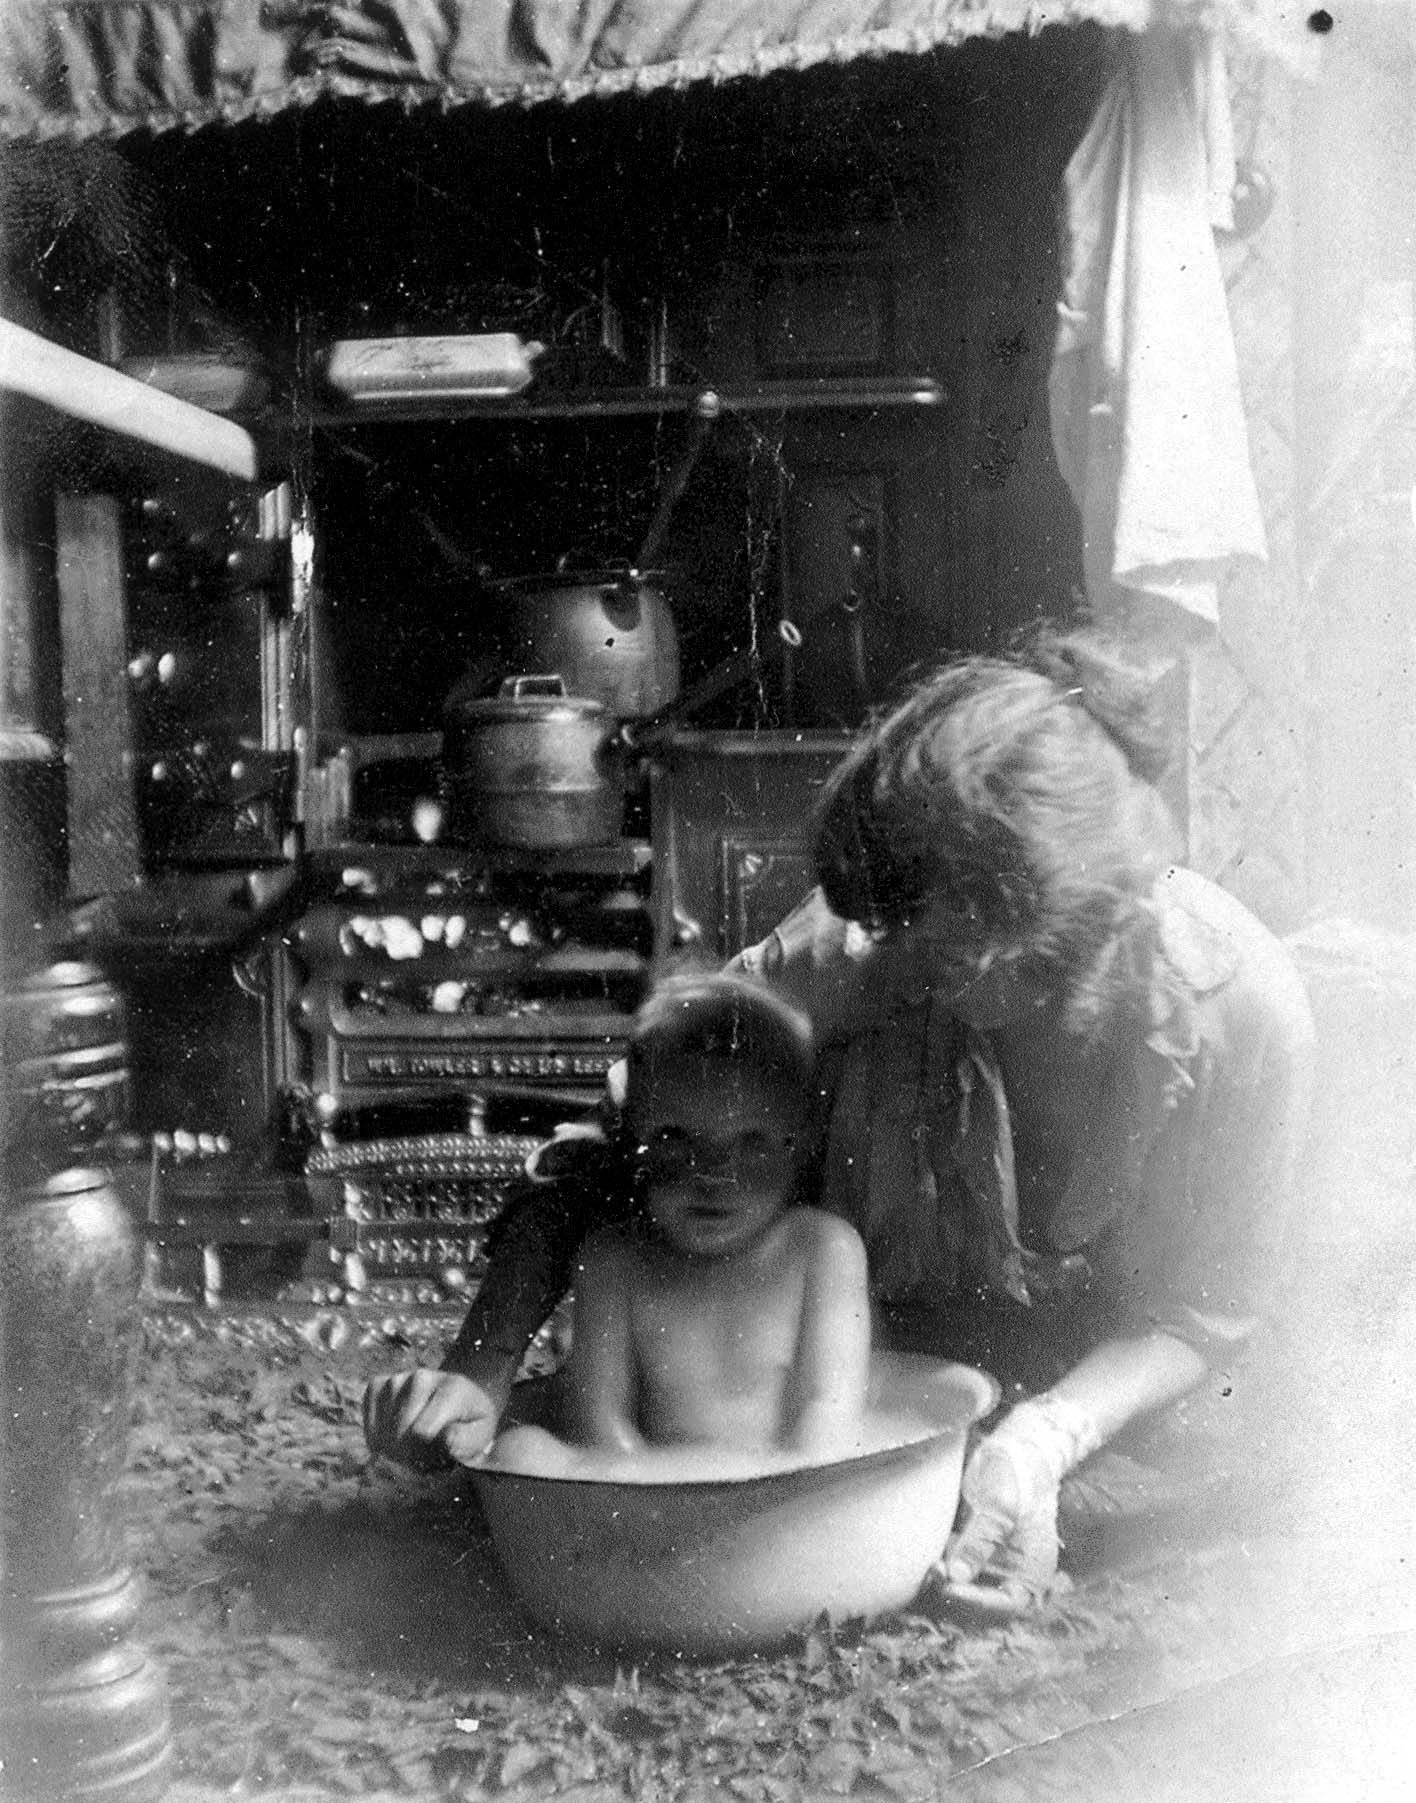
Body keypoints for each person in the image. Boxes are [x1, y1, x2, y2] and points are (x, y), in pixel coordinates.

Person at [363, 623, 1314, 1615]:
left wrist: (1043, 1444)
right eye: (882, 921)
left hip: (1101, 1388)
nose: (886, 955)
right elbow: (618, 1154)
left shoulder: (1242, 1014)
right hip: (861, 1357)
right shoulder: (852, 948)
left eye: (926, 934)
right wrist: (479, 1368)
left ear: (1040, 926)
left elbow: (1202, 1315)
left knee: (1254, 1485)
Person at [475, 971, 871, 1482]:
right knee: (520, 1451)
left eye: (751, 1141)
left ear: (799, 1146)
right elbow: (600, 1426)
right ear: (633, 1137)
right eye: (675, 1137)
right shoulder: (611, 1261)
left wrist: (779, 1491)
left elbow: (828, 1416)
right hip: (650, 1491)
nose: (710, 1175)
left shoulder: (821, 1249)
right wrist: (656, 1496)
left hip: (780, 1496)